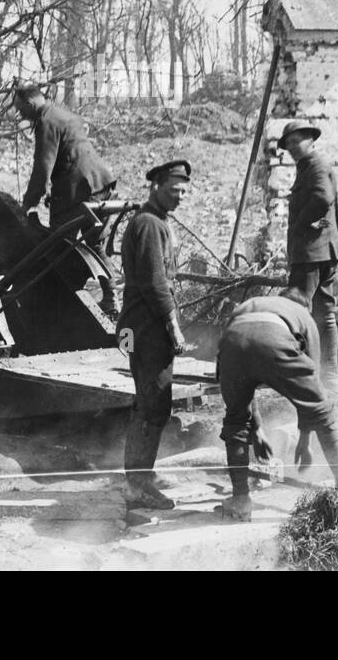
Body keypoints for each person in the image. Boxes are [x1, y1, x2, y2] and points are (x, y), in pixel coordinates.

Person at [216, 288, 338, 521]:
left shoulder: (253, 303)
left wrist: (256, 430)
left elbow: (244, 378)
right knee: (323, 410)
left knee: (236, 422)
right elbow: (313, 394)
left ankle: (240, 500)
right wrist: (305, 440)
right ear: (305, 306)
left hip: (232, 343)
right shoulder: (302, 314)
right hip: (274, 339)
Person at [116, 159, 191, 511]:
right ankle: (138, 483)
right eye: (174, 190)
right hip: (145, 329)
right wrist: (173, 324)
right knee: (153, 401)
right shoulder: (148, 224)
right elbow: (154, 282)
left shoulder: (155, 222)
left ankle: (140, 474)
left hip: (142, 326)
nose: (179, 197)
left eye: (183, 192)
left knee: (149, 401)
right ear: (155, 186)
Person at [280, 120, 338, 394]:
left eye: (297, 141)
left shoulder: (316, 165)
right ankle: (326, 375)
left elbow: (321, 198)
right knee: (323, 312)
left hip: (313, 254)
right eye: (289, 144)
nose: (293, 148)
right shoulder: (306, 167)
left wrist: (299, 226)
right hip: (318, 251)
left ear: (311, 140)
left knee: (297, 309)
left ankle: (307, 374)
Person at [14, 82, 116, 251]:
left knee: (58, 245)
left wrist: (26, 204)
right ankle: (110, 277)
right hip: (101, 183)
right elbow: (69, 155)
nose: (21, 115)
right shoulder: (61, 113)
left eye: (21, 110)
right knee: (97, 247)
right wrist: (53, 193)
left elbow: (42, 169)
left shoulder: (46, 121)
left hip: (81, 190)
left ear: (30, 104)